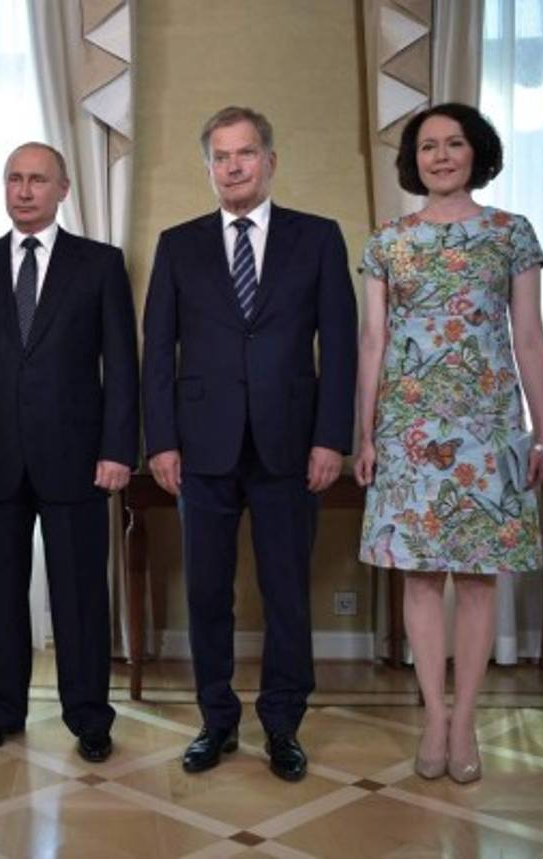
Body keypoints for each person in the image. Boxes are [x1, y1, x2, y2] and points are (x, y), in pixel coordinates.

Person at [141, 106, 357, 781]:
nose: (233, 166)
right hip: (199, 448)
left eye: (245, 153)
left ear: (269, 159)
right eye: (221, 157)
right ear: (208, 167)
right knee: (208, 592)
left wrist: (331, 438)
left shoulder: (318, 238)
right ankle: (216, 719)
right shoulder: (177, 245)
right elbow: (157, 355)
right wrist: (161, 442)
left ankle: (284, 723)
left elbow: (342, 346)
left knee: (286, 589)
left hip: (291, 447)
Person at [354, 102, 543, 784]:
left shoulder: (510, 234)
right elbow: (372, 342)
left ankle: (464, 717)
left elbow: (528, 335)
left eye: (454, 143)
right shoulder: (387, 241)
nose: (441, 155)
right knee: (416, 574)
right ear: (414, 159)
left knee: (475, 577)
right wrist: (366, 432)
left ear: (477, 153)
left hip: (490, 426)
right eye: (428, 145)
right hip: (409, 428)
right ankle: (432, 716)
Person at [0, 143, 138, 762]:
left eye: (37, 180)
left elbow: (122, 368)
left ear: (64, 189)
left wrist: (117, 449)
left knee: (80, 594)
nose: (24, 190)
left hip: (79, 457)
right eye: (14, 179)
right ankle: (2, 711)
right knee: (1, 591)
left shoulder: (100, 264)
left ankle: (89, 716)